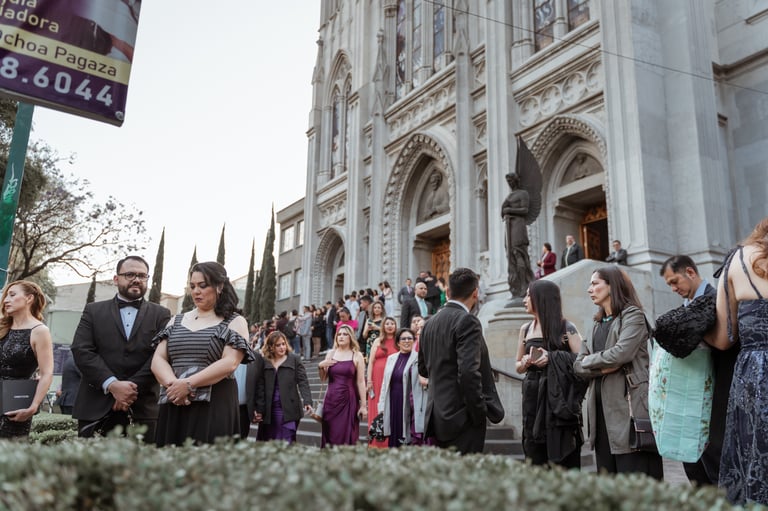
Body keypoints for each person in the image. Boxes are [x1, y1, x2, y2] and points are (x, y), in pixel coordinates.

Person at [151, 261, 254, 446]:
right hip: (175, 401)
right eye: (192, 286)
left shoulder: (235, 321)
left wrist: (188, 384)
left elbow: (230, 363)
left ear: (219, 286)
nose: (196, 291)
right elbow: (158, 358)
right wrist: (174, 386)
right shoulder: (175, 320)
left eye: (202, 285)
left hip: (214, 406)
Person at [574, 266, 663, 480]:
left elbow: (621, 353)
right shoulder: (596, 323)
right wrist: (599, 367)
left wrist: (589, 362)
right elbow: (577, 366)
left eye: (595, 283)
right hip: (600, 413)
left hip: (628, 409)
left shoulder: (633, 316)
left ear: (612, 286)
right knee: (609, 481)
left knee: (635, 478)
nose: (589, 289)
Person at [72, 256, 170, 441]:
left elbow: (161, 356)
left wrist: (128, 391)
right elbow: (81, 350)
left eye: (142, 276)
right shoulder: (93, 311)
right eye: (130, 274)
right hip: (96, 407)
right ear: (116, 279)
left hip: (143, 409)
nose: (136, 279)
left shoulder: (162, 314)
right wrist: (112, 385)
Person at [660, 254, 738, 486]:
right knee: (694, 467)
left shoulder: (718, 299)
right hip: (691, 400)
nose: (673, 288)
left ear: (690, 272)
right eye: (669, 285)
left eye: (675, 281)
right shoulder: (683, 309)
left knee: (717, 463)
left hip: (719, 391)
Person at [706, 218, 768, 505]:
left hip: (755, 377)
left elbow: (723, 338)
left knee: (754, 459)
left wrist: (694, 331)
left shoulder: (738, 259)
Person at [418, 267, 500, 454]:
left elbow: (422, 369)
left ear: (447, 292)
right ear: (475, 293)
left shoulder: (429, 323)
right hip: (462, 417)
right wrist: (479, 412)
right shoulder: (468, 321)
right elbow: (468, 372)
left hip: (436, 415)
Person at [515, 280, 586, 468]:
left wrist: (552, 357)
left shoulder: (567, 327)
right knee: (534, 449)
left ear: (541, 299)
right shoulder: (525, 329)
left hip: (558, 397)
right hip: (532, 396)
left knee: (562, 451)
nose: (524, 300)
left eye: (528, 295)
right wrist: (524, 363)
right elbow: (517, 365)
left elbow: (583, 361)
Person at [0, 281, 53, 438]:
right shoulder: (2, 327)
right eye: (6, 296)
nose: (6, 300)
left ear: (29, 298)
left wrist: (33, 406)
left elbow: (47, 373)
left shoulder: (39, 331)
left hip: (13, 405)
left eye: (12, 295)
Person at [253, 331, 312, 443]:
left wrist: (307, 401)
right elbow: (260, 386)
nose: (282, 347)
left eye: (283, 344)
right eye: (278, 345)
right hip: (269, 410)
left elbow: (303, 381)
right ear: (271, 347)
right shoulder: (264, 361)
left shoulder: (294, 359)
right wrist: (259, 408)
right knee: (270, 442)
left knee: (287, 441)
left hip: (289, 408)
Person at [318, 324, 367, 447]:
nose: (341, 336)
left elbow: (361, 381)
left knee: (347, 434)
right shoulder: (330, 354)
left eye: (345, 334)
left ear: (351, 337)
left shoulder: (357, 355)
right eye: (339, 334)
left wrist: (364, 405)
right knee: (329, 434)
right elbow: (323, 378)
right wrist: (320, 366)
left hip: (348, 400)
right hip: (331, 399)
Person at [377, 328, 427, 447]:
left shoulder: (419, 358)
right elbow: (385, 383)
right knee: (393, 432)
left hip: (409, 404)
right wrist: (381, 405)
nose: (406, 341)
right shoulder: (391, 358)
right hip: (392, 401)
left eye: (409, 338)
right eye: (403, 338)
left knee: (406, 434)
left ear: (414, 340)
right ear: (398, 342)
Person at [366, 317, 398, 448]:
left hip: (392, 379)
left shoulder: (398, 341)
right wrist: (369, 380)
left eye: (392, 323)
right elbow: (371, 362)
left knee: (389, 407)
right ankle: (375, 442)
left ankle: (388, 442)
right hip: (377, 378)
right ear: (383, 326)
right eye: (387, 324)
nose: (390, 326)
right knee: (376, 407)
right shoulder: (378, 341)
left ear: (396, 326)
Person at [501, 173, 534, 298]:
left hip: (518, 226)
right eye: (508, 181)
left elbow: (525, 210)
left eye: (511, 180)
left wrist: (509, 210)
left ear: (516, 180)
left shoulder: (523, 193)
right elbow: (503, 212)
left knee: (518, 253)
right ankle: (515, 286)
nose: (509, 183)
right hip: (509, 227)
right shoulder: (510, 195)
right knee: (510, 255)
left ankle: (524, 284)